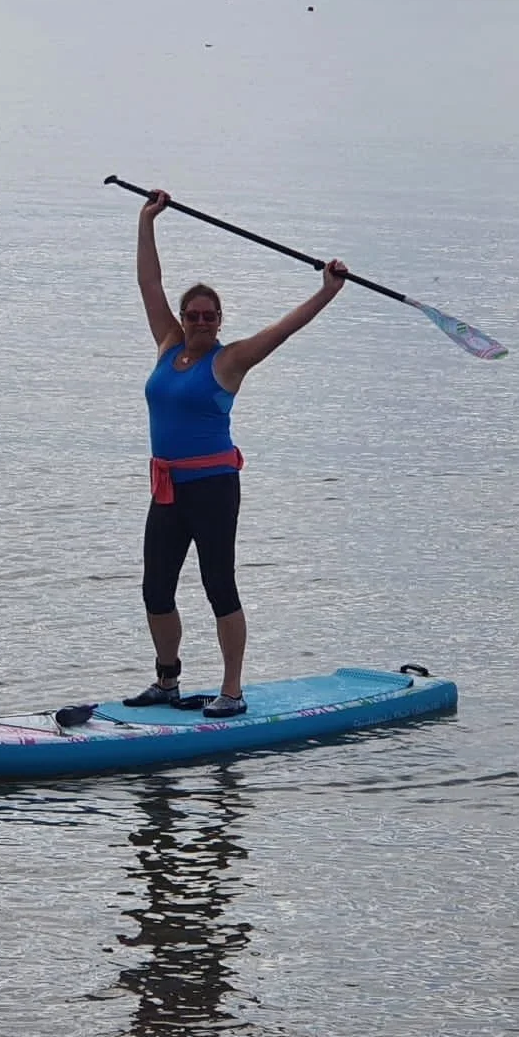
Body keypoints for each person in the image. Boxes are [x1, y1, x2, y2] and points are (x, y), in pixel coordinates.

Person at [128, 188, 346, 718]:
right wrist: (147, 219)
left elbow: (286, 329)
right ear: (183, 318)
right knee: (155, 587)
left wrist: (329, 291)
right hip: (167, 487)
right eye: (193, 315)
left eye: (209, 316)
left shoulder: (232, 360)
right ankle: (167, 682)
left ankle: (232, 692)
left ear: (220, 320)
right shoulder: (167, 344)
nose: (201, 322)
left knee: (217, 584)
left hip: (212, 487)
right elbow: (148, 282)